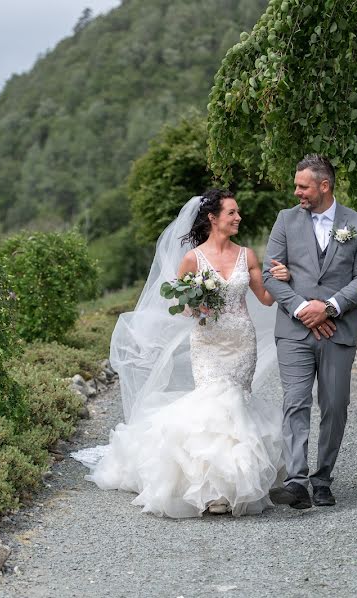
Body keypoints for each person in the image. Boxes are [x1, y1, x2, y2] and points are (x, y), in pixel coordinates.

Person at [72, 189, 291, 518]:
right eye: (232, 212)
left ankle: (232, 483)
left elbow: (266, 298)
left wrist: (280, 278)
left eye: (238, 212)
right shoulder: (193, 260)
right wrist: (196, 304)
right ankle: (214, 487)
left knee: (236, 402)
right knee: (216, 403)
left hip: (241, 342)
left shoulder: (247, 256)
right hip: (207, 342)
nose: (238, 218)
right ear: (213, 218)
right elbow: (184, 308)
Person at [264, 154, 357, 509]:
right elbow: (270, 275)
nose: (296, 191)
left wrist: (328, 307)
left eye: (303, 186)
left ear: (324, 186)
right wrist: (303, 309)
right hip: (294, 332)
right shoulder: (285, 221)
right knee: (295, 402)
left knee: (334, 405)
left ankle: (323, 479)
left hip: (337, 331)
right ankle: (296, 482)